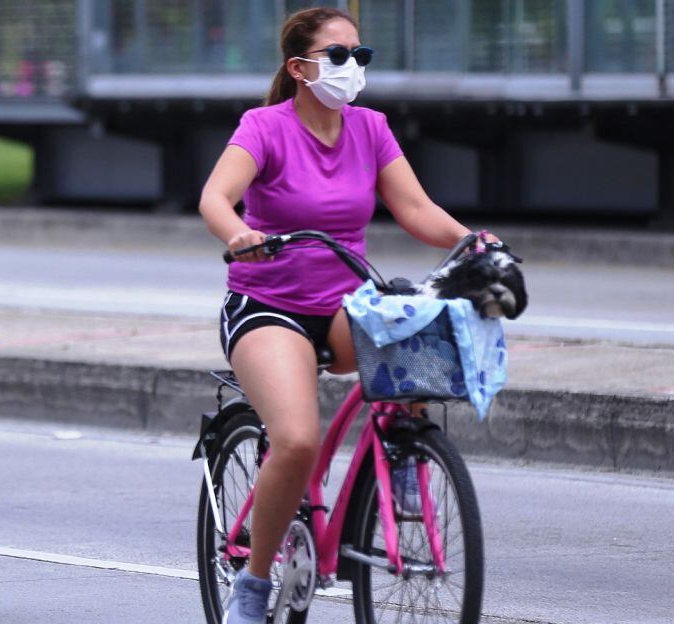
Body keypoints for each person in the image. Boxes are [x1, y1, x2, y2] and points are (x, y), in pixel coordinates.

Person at [197, 8, 499, 622]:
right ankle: (253, 586)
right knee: (300, 439)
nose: (352, 68)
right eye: (338, 56)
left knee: (414, 337)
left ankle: (407, 459)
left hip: (341, 302)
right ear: (300, 68)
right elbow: (215, 197)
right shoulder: (265, 126)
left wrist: (476, 244)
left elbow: (415, 208)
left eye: (360, 56)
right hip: (267, 305)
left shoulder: (370, 128)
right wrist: (238, 232)